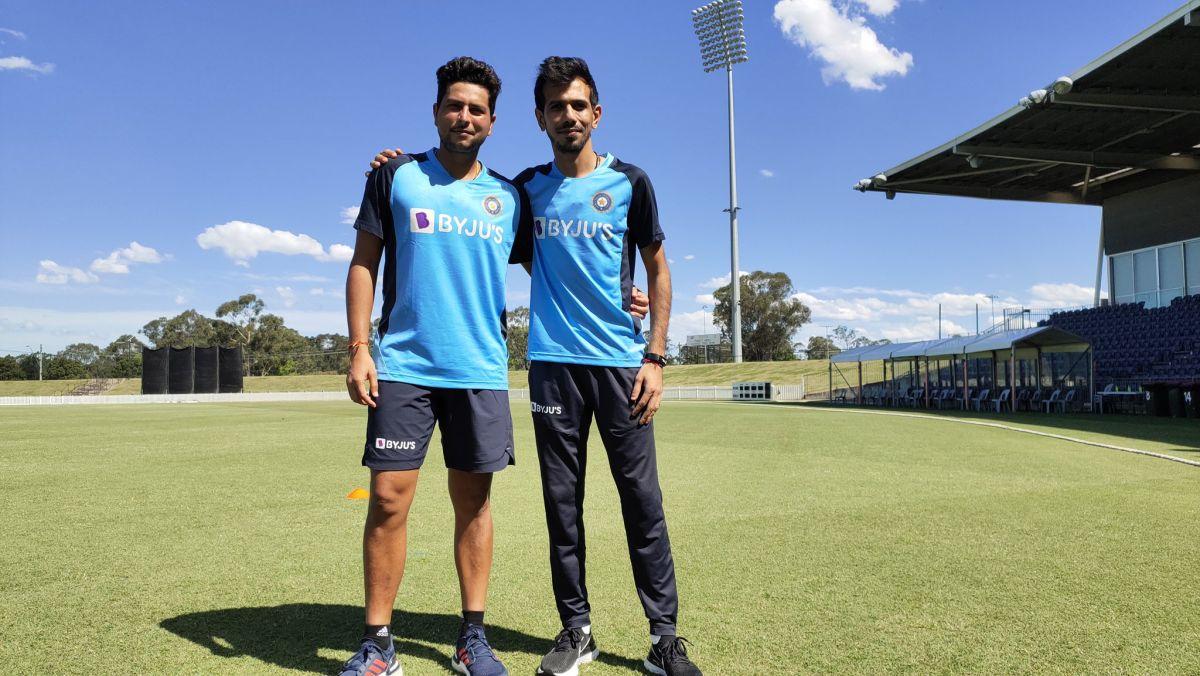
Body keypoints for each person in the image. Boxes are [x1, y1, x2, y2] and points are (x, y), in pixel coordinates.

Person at [370, 55, 701, 676]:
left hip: (623, 366)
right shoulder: (524, 190)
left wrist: (655, 354)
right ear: (539, 118)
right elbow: (496, 241)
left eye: (578, 105)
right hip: (550, 364)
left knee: (642, 500)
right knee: (562, 504)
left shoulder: (632, 182)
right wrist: (392, 165)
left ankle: (663, 637)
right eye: (556, 107)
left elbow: (658, 269)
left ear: (595, 113)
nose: (568, 115)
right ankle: (575, 630)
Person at [340, 55, 525, 676]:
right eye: (455, 105)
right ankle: (378, 645)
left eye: (476, 109)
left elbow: (559, 262)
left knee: (473, 503)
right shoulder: (395, 176)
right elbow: (364, 263)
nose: (464, 116)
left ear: (492, 122)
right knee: (389, 499)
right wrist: (359, 347)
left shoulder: (509, 196)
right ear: (436, 111)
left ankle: (472, 637)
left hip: (479, 370)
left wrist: (627, 294)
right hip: (404, 365)